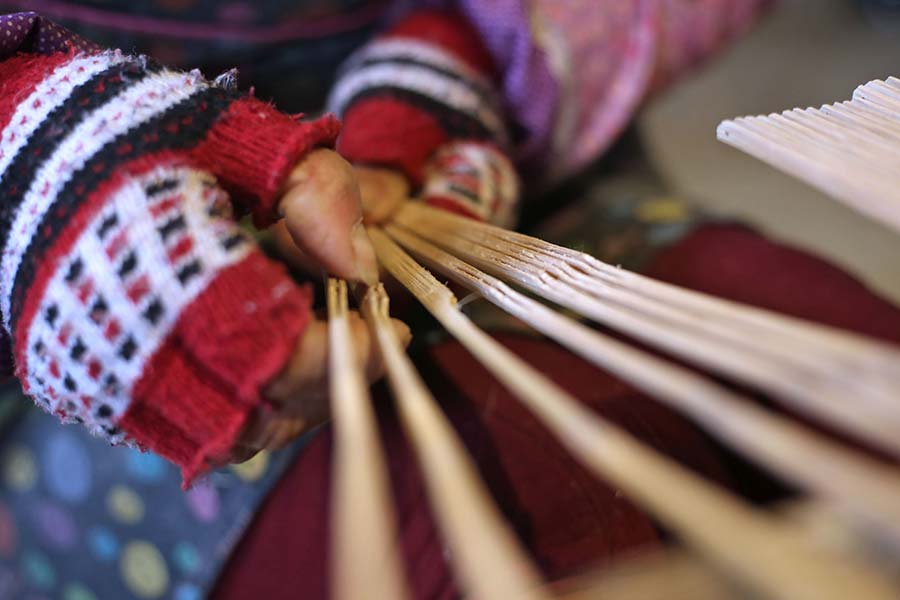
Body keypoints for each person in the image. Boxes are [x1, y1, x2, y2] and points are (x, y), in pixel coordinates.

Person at [2, 4, 899, 599]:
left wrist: (457, 47)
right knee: (542, 519)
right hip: (61, 307)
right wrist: (32, 154)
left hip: (514, 147)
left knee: (850, 370)